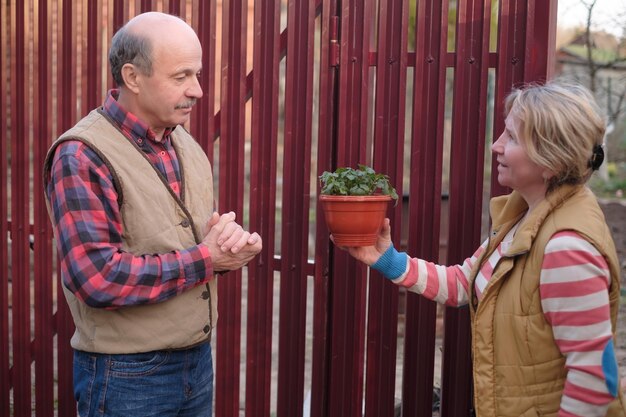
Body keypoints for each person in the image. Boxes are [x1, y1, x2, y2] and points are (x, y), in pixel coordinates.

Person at [341, 81, 626, 416]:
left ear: (552, 159)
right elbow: (466, 282)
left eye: (513, 137)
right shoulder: (524, 214)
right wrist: (386, 259)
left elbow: (594, 379)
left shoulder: (566, 248)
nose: (496, 146)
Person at [43, 12, 261, 417]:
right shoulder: (82, 155)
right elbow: (97, 278)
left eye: (196, 74)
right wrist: (207, 258)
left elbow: (179, 242)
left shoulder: (184, 144)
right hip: (125, 374)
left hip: (196, 362)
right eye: (181, 76)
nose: (197, 90)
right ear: (132, 77)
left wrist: (229, 245)